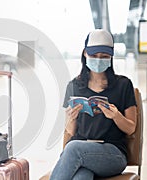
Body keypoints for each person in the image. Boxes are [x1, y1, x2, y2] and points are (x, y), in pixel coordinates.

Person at [50, 29, 137, 179]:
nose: (98, 60)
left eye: (104, 56)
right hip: (81, 152)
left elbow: (131, 128)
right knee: (81, 177)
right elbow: (71, 131)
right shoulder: (74, 86)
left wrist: (116, 116)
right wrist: (71, 118)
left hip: (112, 154)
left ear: (111, 57)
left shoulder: (123, 85)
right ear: (85, 53)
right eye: (94, 55)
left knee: (72, 148)